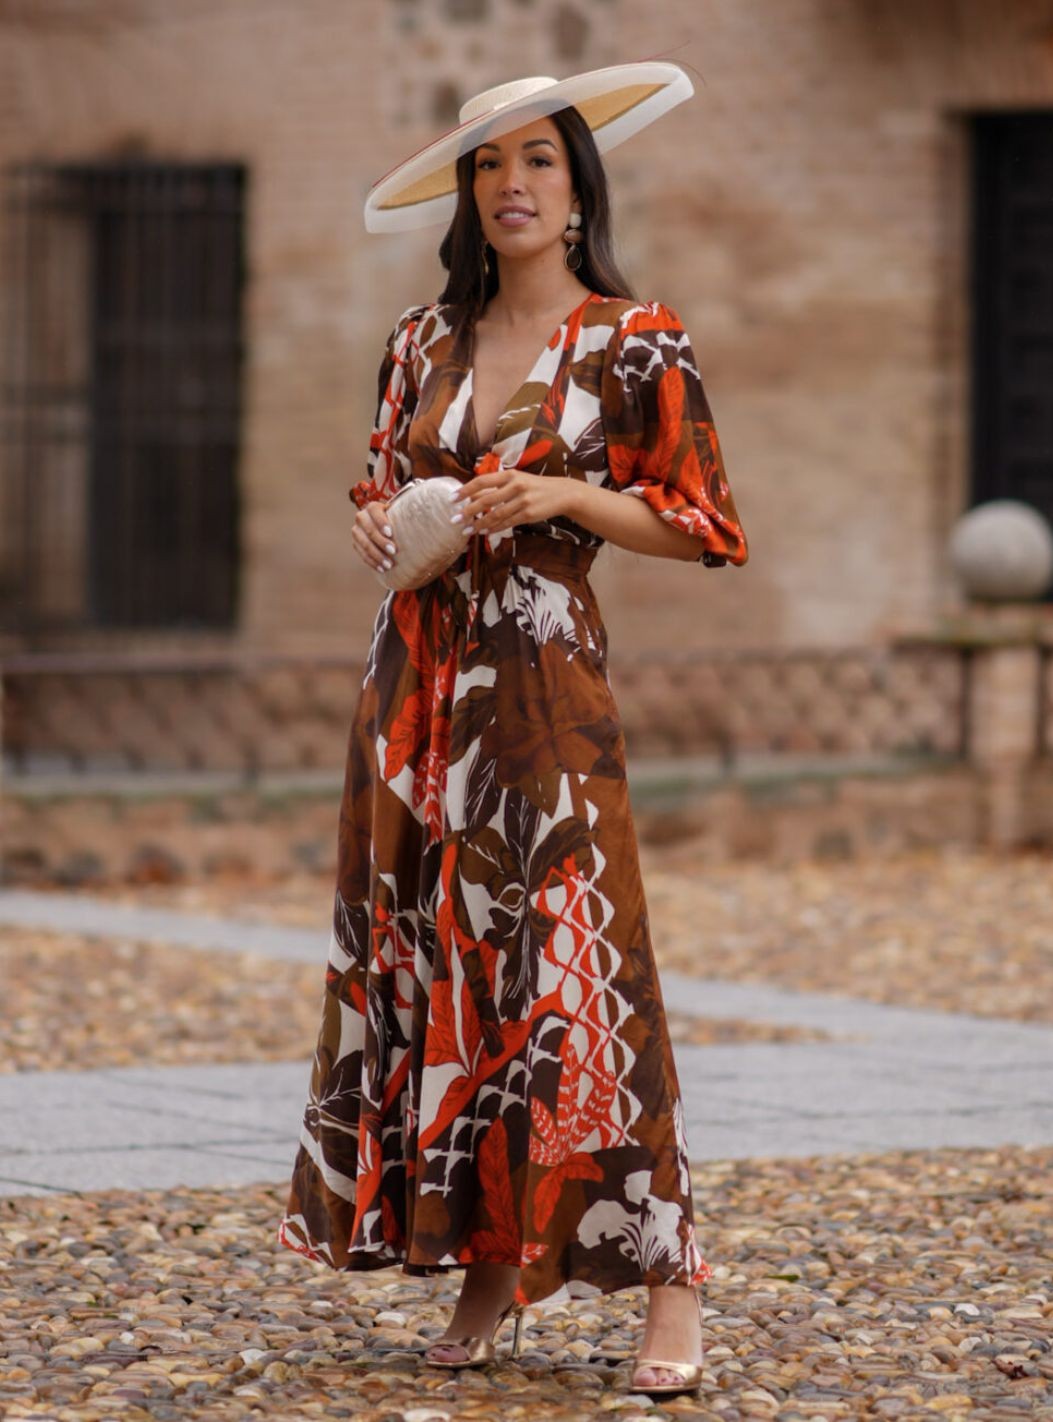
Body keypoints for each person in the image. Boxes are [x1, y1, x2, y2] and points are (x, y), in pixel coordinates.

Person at [278, 62, 749, 1399]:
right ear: (467, 192)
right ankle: (489, 1261)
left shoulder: (635, 338)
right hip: (414, 694)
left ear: (579, 186)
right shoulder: (418, 339)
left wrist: (564, 496)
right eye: (489, 164)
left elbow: (704, 524)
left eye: (538, 159)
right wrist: (377, 523)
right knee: (445, 959)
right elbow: (385, 493)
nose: (512, 184)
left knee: (578, 969)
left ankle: (669, 1278)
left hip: (545, 692)